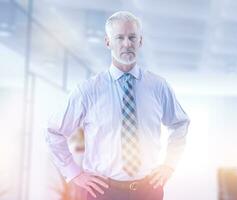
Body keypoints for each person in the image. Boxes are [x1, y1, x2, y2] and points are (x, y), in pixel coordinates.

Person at [45, 11, 190, 200]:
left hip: (149, 189)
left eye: (132, 37)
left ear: (140, 41)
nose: (127, 43)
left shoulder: (158, 86)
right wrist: (74, 173)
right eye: (119, 37)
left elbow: (180, 123)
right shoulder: (87, 91)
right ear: (107, 42)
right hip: (102, 191)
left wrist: (169, 165)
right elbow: (53, 131)